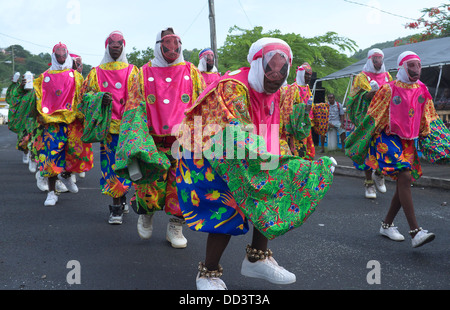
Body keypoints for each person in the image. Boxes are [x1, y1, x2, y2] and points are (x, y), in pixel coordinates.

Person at [175, 37, 336, 289]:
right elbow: (234, 132)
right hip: (211, 150)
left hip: (247, 148)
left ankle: (256, 259)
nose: (274, 83)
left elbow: (275, 134)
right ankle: (207, 273)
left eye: (280, 78)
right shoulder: (232, 87)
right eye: (270, 78)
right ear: (259, 66)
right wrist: (274, 160)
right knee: (227, 208)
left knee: (271, 187)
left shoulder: (278, 92)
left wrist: (295, 165)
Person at [345, 51, 449, 248]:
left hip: (407, 141)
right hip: (386, 137)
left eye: (418, 65)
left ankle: (386, 224)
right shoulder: (388, 89)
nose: (416, 70)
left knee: (404, 182)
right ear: (402, 67)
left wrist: (441, 141)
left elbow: (430, 117)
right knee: (405, 177)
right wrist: (361, 140)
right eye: (411, 65)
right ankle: (415, 232)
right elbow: (372, 116)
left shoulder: (422, 90)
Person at [115, 27, 206, 248]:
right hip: (152, 140)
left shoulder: (191, 71)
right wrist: (137, 138)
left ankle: (175, 225)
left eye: (175, 45)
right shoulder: (143, 73)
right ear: (158, 47)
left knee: (182, 185)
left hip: (182, 142)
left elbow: (202, 102)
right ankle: (146, 213)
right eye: (167, 46)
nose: (172, 51)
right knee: (150, 182)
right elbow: (134, 105)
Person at [81, 31, 139, 224]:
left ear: (123, 47)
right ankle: (116, 208)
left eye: (119, 44)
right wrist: (99, 99)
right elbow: (84, 97)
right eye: (112, 44)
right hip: (108, 130)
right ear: (107, 47)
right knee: (112, 168)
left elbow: (140, 96)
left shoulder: (133, 71)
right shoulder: (96, 72)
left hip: (129, 129)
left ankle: (122, 198)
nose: (116, 47)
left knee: (129, 166)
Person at [34, 42, 93, 206]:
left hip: (73, 122)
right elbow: (38, 97)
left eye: (63, 53)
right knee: (51, 157)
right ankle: (51, 193)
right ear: (53, 55)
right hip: (52, 124)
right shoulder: (43, 77)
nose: (61, 56)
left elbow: (83, 96)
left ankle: (66, 175)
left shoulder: (76, 76)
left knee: (78, 153)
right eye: (58, 53)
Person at [346, 48, 393, 199]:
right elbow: (354, 99)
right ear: (370, 60)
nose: (378, 62)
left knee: (386, 148)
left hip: (385, 120)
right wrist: (367, 95)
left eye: (380, 58)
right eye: (375, 59)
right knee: (367, 151)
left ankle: (379, 174)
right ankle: (369, 184)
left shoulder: (387, 76)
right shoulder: (361, 77)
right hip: (367, 120)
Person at [289, 63, 315, 160]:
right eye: (306, 74)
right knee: (299, 150)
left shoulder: (307, 87)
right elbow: (288, 107)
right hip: (297, 125)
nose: (308, 77)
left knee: (308, 150)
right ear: (300, 74)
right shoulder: (293, 88)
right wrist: (303, 108)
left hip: (306, 124)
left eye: (310, 75)